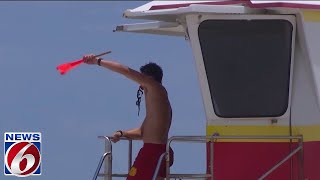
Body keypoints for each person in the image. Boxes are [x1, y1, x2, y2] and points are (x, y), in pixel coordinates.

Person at [83, 54, 174, 180]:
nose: (140, 84)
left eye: (142, 78)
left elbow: (124, 70)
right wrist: (122, 133)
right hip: (157, 151)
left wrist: (97, 61)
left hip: (153, 152)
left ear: (150, 78)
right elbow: (143, 132)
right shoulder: (158, 101)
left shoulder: (156, 88)